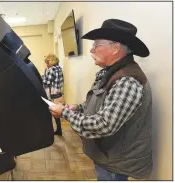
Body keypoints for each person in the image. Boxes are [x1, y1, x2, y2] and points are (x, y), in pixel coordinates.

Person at [48, 19, 152, 180]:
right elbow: (101, 104)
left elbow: (103, 125)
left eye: (96, 45)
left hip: (116, 163)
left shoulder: (127, 81)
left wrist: (65, 114)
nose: (91, 50)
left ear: (115, 48)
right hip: (108, 156)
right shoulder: (110, 73)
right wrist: (77, 108)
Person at [43, 54, 64, 136]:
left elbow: (46, 82)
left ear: (51, 61)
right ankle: (59, 129)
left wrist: (45, 72)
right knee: (56, 112)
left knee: (51, 111)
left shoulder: (51, 69)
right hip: (58, 93)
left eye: (47, 62)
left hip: (52, 94)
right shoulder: (59, 68)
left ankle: (54, 130)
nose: (46, 64)